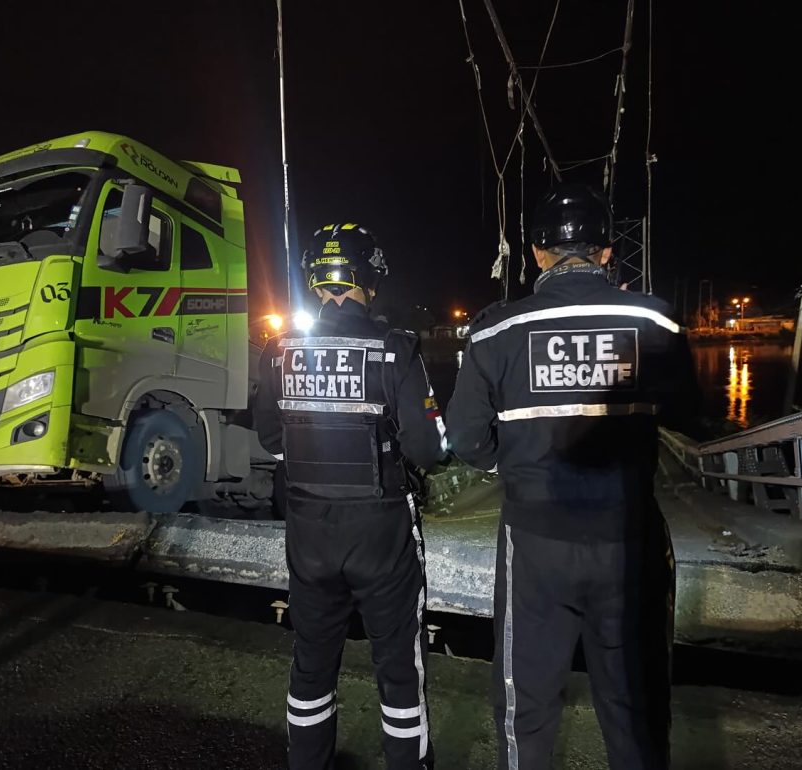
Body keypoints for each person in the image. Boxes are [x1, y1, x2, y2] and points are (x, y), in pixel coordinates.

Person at [446, 184, 699, 769]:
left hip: (534, 540)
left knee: (526, 701)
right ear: (608, 252)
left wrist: (509, 465)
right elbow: (687, 415)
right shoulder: (653, 320)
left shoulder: (493, 332)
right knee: (635, 703)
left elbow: (465, 439)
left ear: (537, 254)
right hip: (629, 537)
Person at [254, 223, 448, 769]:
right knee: (399, 673)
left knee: (311, 667)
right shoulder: (395, 349)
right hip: (382, 535)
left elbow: (271, 438)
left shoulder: (277, 352)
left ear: (315, 281)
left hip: (309, 535)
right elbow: (430, 449)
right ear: (370, 278)